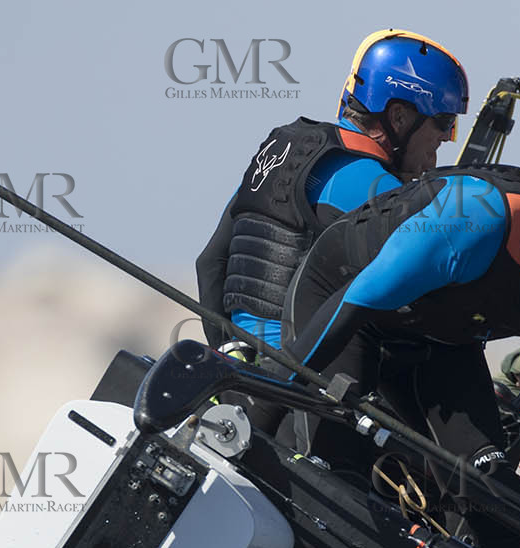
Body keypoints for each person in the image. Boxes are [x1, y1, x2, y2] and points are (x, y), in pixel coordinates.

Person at [281, 137, 520, 526]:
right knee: (337, 470)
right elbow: (357, 302)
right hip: (349, 309)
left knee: (496, 498)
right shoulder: (479, 215)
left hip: (440, 343)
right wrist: (269, 396)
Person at [194, 29, 467, 353]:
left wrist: (231, 360)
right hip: (304, 385)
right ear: (399, 116)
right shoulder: (376, 186)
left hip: (243, 373)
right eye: (443, 124)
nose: (445, 142)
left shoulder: (282, 152)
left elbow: (209, 263)